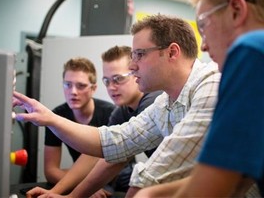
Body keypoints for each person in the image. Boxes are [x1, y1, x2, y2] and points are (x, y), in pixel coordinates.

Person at [13, 14, 221, 197]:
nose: (132, 65)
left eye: (140, 54)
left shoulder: (210, 86)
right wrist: (50, 118)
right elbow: (115, 143)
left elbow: (153, 175)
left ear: (172, 52)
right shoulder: (164, 103)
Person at [134, 0, 264, 197]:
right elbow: (237, 177)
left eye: (203, 25)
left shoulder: (251, 49)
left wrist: (147, 193)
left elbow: (211, 188)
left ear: (237, 11)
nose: (202, 46)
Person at [27, 46, 161, 197]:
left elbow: (117, 156)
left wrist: (52, 120)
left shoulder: (153, 102)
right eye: (107, 81)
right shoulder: (121, 112)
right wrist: (55, 193)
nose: (111, 87)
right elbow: (102, 152)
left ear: (136, 73)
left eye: (118, 79)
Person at [44, 57, 115, 184]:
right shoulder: (56, 116)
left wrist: (87, 187)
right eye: (67, 85)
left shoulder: (111, 114)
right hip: (83, 179)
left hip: (117, 178)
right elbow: (50, 171)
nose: (73, 92)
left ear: (93, 89)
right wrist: (82, 188)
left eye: (81, 86)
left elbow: (112, 166)